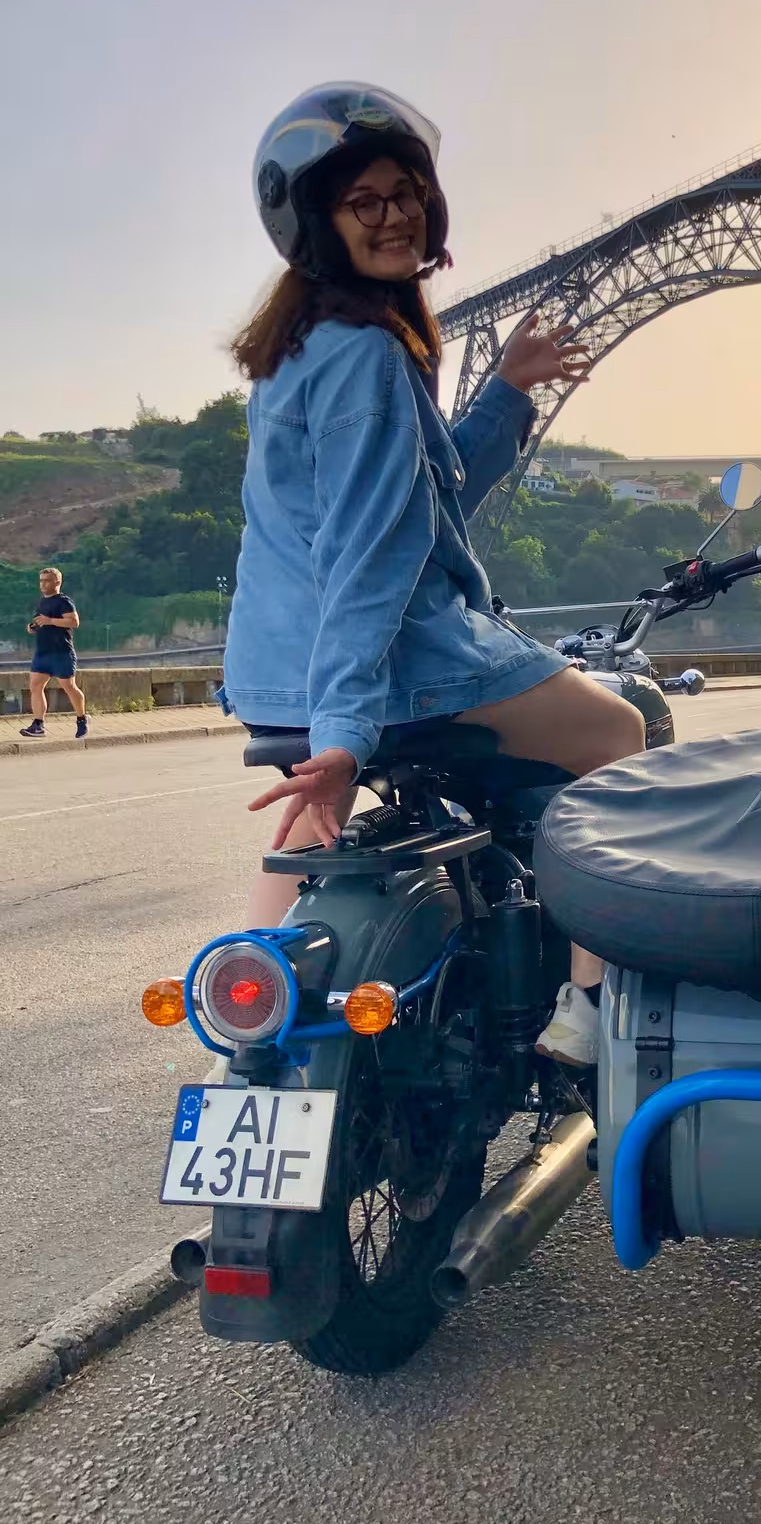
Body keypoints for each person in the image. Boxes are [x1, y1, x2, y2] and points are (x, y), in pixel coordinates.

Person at [223, 82, 641, 1066]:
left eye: (407, 191)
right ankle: (589, 1010)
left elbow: (425, 497)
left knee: (308, 833)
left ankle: (246, 1033)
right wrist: (344, 736)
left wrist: (506, 392)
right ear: (317, 224)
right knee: (619, 735)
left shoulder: (299, 352)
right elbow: (372, 558)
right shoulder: (369, 354)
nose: (396, 213)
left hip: (277, 672)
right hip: (390, 665)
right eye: (364, 200)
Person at [20, 567, 87, 739]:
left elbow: (74, 622)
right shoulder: (42, 602)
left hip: (61, 652)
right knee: (35, 686)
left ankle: (81, 719)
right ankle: (38, 725)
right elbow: (39, 621)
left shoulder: (64, 601)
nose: (43, 584)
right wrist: (32, 627)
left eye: (47, 580)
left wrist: (50, 620)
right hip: (43, 651)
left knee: (69, 687)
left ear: (57, 582)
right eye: (41, 580)